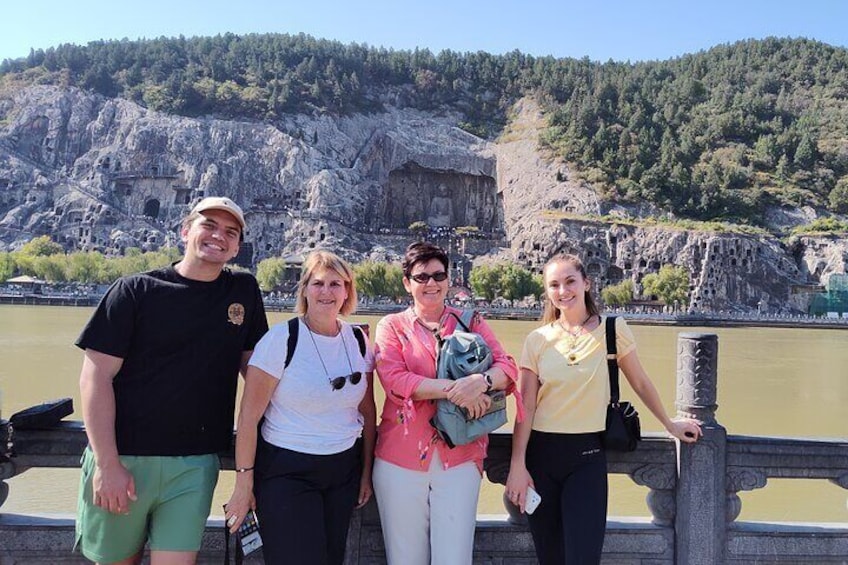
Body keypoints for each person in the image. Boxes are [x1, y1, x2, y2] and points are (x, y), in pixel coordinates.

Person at [75, 196, 268, 565]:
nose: (218, 236)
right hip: (126, 459)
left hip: (194, 464)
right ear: (185, 230)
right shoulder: (135, 290)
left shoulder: (243, 291)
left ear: (238, 246)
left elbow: (257, 373)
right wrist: (106, 463)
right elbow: (95, 378)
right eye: (208, 225)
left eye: (230, 232)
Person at [505, 253, 702, 564]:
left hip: (587, 458)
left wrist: (670, 424)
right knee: (550, 557)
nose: (563, 291)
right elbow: (525, 406)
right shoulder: (537, 339)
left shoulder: (613, 329)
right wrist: (518, 465)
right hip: (540, 457)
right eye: (554, 284)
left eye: (570, 281)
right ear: (546, 291)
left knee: (583, 557)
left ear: (586, 283)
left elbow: (640, 381)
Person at [224, 250, 377, 565]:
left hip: (342, 471)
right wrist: (244, 484)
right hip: (287, 472)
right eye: (317, 283)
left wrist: (366, 472)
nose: (326, 292)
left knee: (331, 558)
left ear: (348, 291)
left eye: (336, 283)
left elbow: (368, 411)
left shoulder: (359, 340)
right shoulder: (280, 340)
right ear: (304, 289)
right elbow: (249, 418)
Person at [373, 241, 518, 565]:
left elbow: (507, 367)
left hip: (461, 456)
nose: (431, 283)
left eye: (439, 275)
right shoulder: (392, 327)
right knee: (404, 558)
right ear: (407, 282)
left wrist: (480, 382)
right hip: (401, 458)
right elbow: (395, 380)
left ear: (448, 280)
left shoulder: (471, 321)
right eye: (421, 276)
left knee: (454, 558)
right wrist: (455, 389)